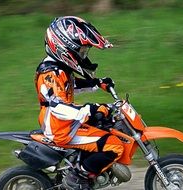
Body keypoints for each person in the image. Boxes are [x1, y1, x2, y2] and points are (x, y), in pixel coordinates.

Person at [35, 16, 124, 189]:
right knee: (114, 145)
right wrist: (90, 108)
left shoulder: (60, 68)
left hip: (67, 123)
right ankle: (78, 178)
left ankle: (82, 165)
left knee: (104, 124)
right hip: (59, 128)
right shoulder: (50, 74)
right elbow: (58, 106)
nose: (83, 56)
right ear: (64, 47)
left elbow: (71, 87)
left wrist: (97, 83)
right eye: (82, 51)